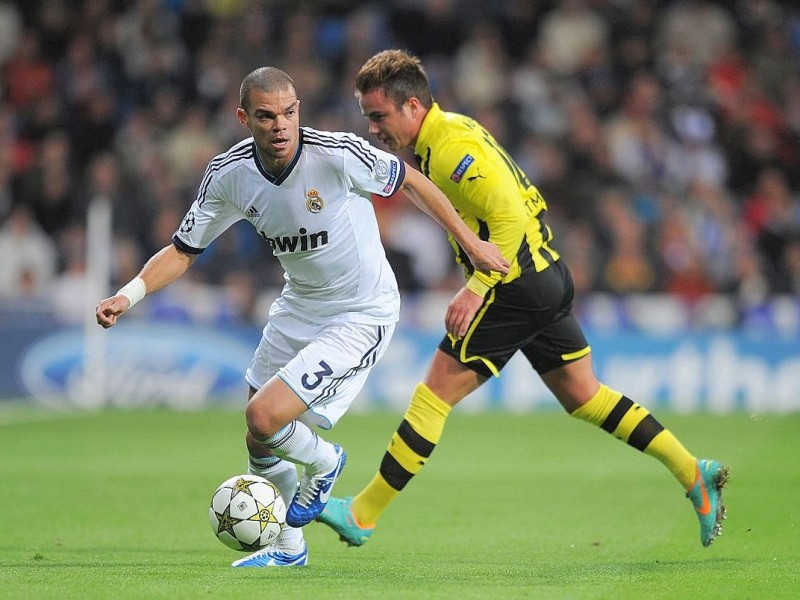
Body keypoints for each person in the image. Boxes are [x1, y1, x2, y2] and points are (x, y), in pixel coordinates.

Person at [95, 66, 509, 568]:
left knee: (262, 417)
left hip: (361, 311)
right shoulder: (229, 176)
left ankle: (326, 461)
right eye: (266, 116)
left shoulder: (335, 155)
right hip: (300, 306)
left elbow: (413, 183)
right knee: (258, 437)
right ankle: (289, 549)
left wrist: (472, 243)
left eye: (289, 113)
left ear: (299, 111)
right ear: (244, 118)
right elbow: (184, 250)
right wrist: (129, 294)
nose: (280, 125)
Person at [317, 49, 729, 549]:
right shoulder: (442, 138)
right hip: (545, 275)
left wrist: (475, 288)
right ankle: (693, 474)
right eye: (368, 118)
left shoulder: (449, 148)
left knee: (434, 394)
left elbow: (508, 217)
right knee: (585, 395)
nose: (373, 129)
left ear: (411, 107)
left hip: (515, 283)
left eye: (378, 117)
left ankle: (362, 513)